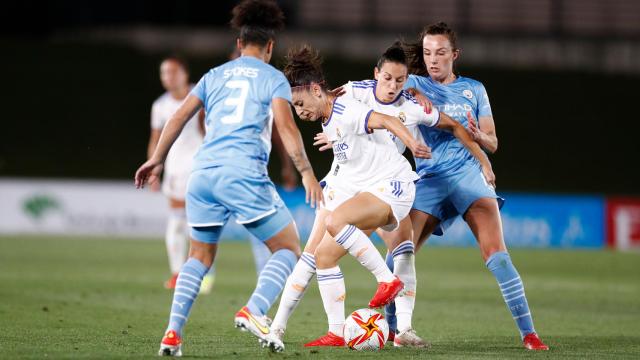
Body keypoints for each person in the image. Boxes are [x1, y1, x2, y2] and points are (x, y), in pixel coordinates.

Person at [270, 43, 494, 348]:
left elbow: (429, 123)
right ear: (376, 75)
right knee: (317, 256)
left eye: (400, 81)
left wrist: (479, 158)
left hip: (388, 184)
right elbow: (328, 101)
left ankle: (402, 327)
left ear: (407, 81)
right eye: (387, 78)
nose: (392, 86)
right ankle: (299, 329)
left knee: (401, 249)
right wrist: (331, 127)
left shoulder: (411, 106)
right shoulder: (352, 92)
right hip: (349, 184)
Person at [134, 0, 323, 355]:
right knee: (287, 248)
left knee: (199, 257)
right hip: (243, 172)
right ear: (269, 47)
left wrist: (156, 159)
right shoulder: (272, 78)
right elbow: (286, 128)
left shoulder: (214, 75)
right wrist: (307, 173)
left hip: (202, 174)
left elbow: (177, 118)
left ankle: (172, 335)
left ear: (239, 44)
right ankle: (254, 309)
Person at [400, 22, 549, 351]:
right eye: (427, 53)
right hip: (430, 180)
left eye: (440, 53)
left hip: (469, 175)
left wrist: (478, 136)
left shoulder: (474, 89)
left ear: (455, 54)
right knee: (401, 254)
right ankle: (391, 328)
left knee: (497, 255)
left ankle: (529, 334)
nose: (433, 60)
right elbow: (377, 87)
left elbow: (492, 142)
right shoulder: (411, 83)